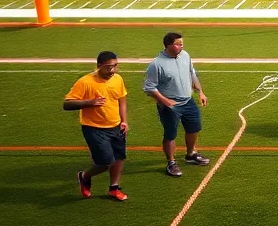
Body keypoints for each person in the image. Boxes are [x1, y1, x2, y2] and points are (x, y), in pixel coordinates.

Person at [64, 51, 129, 202]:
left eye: (115, 66)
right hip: (94, 128)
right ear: (99, 66)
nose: (112, 70)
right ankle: (84, 176)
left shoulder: (117, 79)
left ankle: (114, 188)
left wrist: (124, 121)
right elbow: (67, 104)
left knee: (119, 157)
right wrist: (89, 102)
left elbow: (122, 101)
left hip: (116, 126)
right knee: (105, 162)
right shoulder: (85, 82)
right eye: (108, 67)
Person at [143, 31, 210, 178]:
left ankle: (190, 154)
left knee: (194, 128)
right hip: (170, 106)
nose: (181, 46)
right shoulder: (157, 64)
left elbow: (192, 73)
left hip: (188, 101)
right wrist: (165, 101)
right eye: (178, 43)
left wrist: (200, 91)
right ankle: (171, 162)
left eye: (182, 43)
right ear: (168, 45)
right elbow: (149, 87)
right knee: (170, 134)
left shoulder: (185, 55)